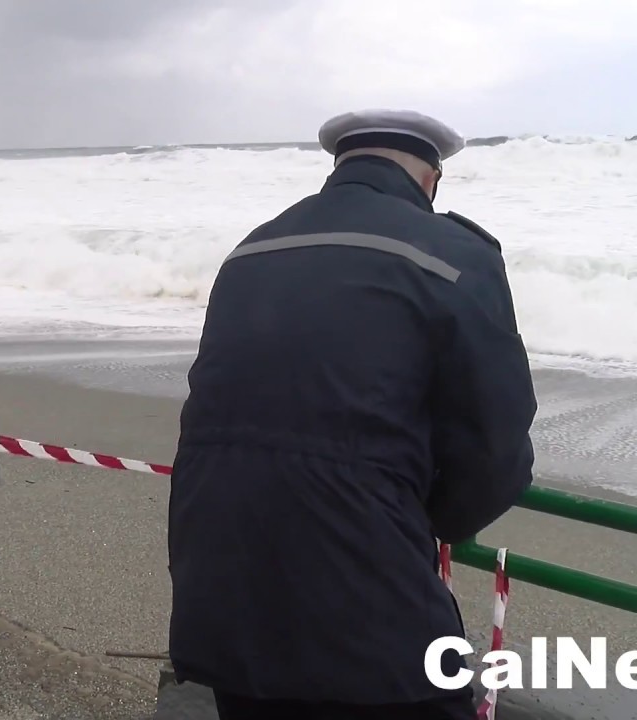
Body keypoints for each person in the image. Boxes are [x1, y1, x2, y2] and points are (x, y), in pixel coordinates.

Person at [166, 109, 538, 720]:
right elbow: (497, 445)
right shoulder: (452, 252)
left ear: (341, 166)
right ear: (431, 180)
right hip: (367, 588)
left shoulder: (253, 246)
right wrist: (435, 519)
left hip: (221, 585)